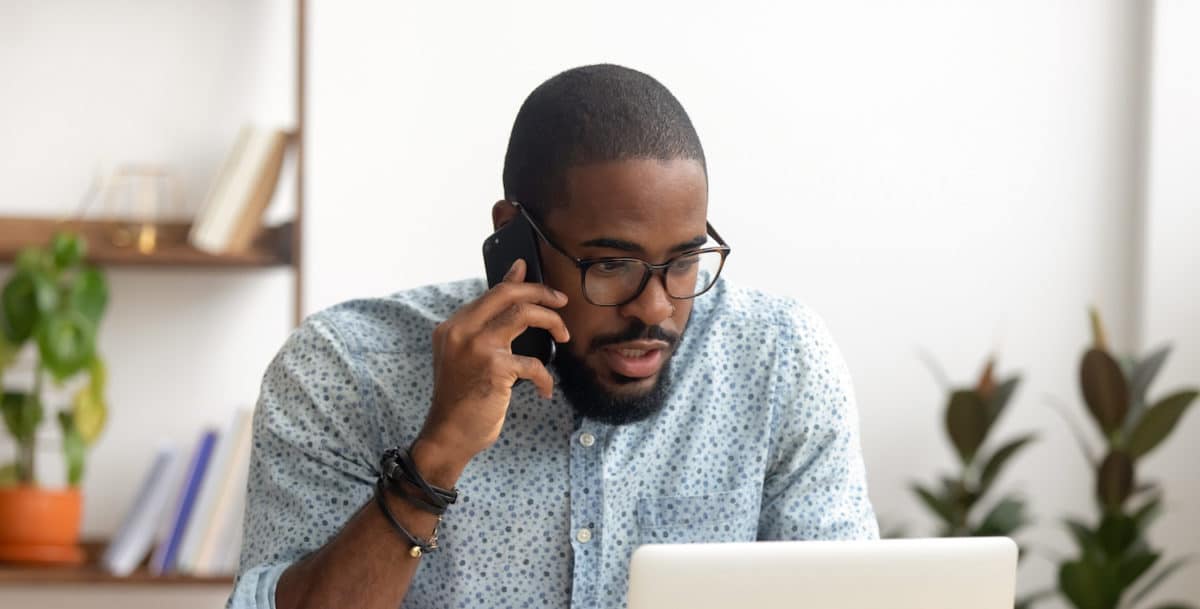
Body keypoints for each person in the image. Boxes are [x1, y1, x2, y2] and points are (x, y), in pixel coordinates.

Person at [226, 64, 877, 609]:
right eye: (611, 264)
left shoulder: (779, 359)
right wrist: (438, 452)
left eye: (683, 260)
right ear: (515, 235)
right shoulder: (345, 368)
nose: (656, 309)